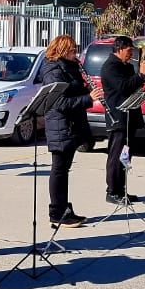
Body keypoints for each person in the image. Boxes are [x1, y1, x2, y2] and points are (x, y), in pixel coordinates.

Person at [35, 35, 104, 228]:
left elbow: (73, 93)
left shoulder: (70, 67)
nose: (76, 53)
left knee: (63, 170)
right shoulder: (52, 70)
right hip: (60, 124)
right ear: (63, 50)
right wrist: (88, 98)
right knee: (58, 169)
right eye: (73, 50)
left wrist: (85, 89)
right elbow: (59, 103)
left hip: (71, 124)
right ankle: (57, 213)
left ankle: (64, 208)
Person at [99, 36, 145, 205]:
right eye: (129, 51)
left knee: (126, 155)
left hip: (130, 115)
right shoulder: (110, 67)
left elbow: (133, 87)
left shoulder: (127, 66)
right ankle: (112, 191)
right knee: (116, 156)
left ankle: (121, 189)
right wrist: (141, 74)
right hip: (118, 117)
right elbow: (123, 87)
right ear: (119, 48)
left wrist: (144, 79)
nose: (132, 54)